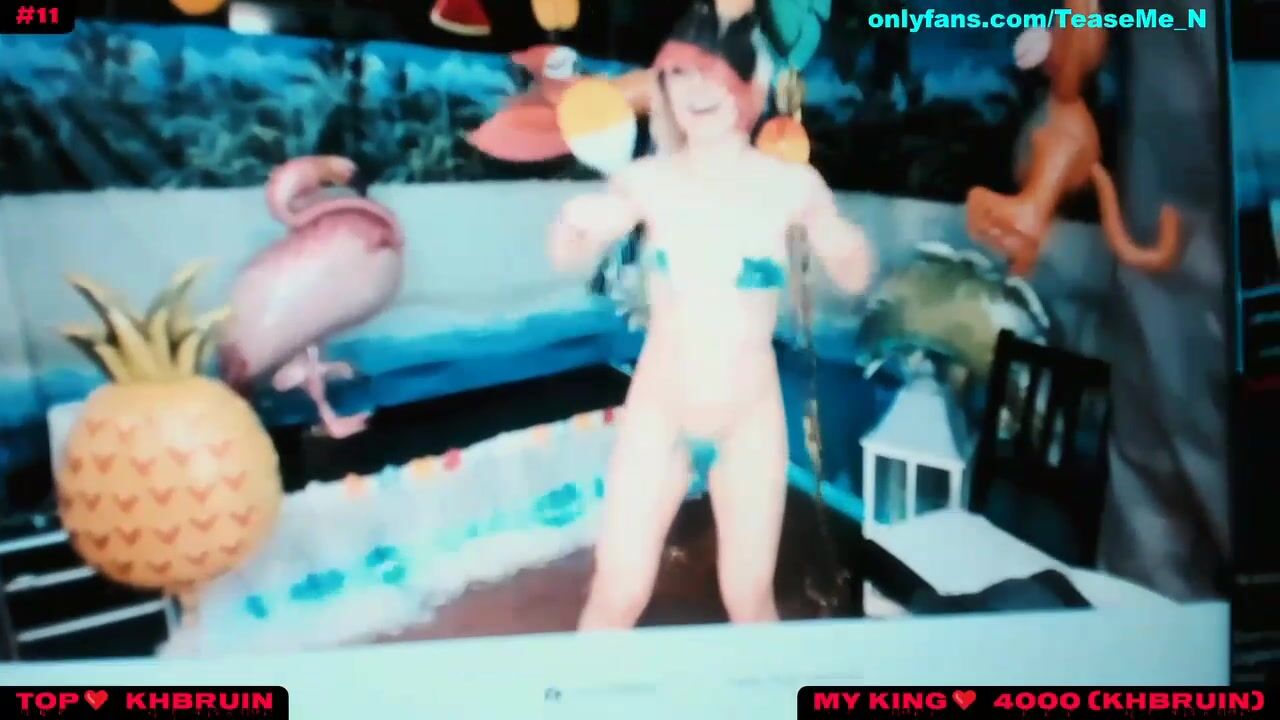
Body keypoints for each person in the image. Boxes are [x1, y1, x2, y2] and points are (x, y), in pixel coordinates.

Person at [547, 1, 875, 630]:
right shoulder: (648, 180)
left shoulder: (792, 185)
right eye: (680, 75)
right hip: (661, 413)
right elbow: (569, 255)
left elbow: (856, 276)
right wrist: (572, 225)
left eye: (712, 74)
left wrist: (844, 245)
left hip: (748, 419)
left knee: (750, 601)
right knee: (617, 594)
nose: (695, 92)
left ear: (749, 84)